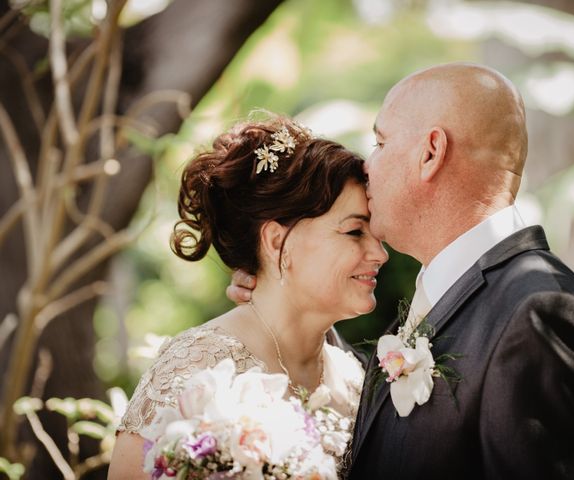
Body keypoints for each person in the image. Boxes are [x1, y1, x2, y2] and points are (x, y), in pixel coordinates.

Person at [228, 63, 574, 479]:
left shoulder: (540, 311)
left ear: (430, 152)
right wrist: (289, 305)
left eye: (380, 142)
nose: (366, 165)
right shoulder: (451, 290)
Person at [107, 114, 389, 479]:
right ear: (275, 241)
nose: (380, 253)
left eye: (376, 233)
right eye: (354, 232)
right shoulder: (195, 369)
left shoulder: (355, 378)